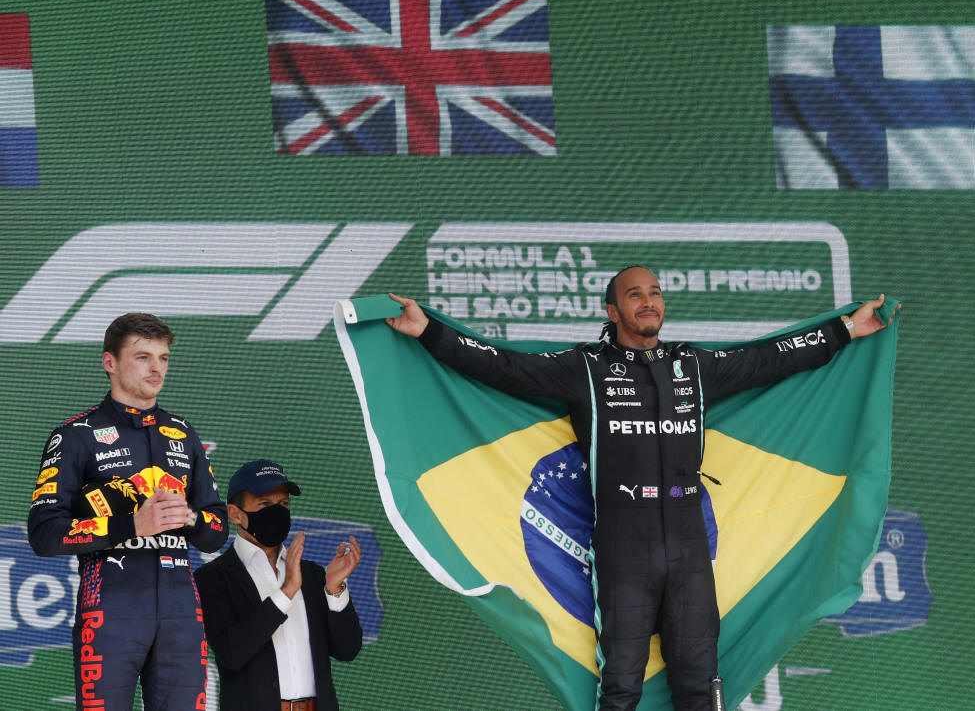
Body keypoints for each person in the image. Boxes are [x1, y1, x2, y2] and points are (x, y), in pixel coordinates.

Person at [386, 266, 892, 710]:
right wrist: (428, 330)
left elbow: (770, 358)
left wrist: (847, 329)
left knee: (700, 685)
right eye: (635, 295)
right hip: (624, 546)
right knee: (621, 686)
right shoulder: (585, 369)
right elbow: (502, 365)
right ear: (613, 311)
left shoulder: (693, 366)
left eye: (655, 293)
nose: (649, 302)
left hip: (690, 546)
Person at [27, 312, 229, 710]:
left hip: (181, 611)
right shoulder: (75, 435)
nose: (156, 368)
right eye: (143, 357)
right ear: (110, 362)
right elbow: (45, 533)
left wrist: (189, 518)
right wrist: (132, 524)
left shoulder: (182, 432)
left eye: (163, 358)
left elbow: (217, 530)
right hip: (110, 609)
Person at [194, 459, 363, 711]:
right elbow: (231, 654)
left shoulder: (313, 575)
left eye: (283, 504)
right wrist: (286, 592)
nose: (277, 512)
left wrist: (334, 590)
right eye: (264, 504)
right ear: (235, 514)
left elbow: (347, 650)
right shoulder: (213, 577)